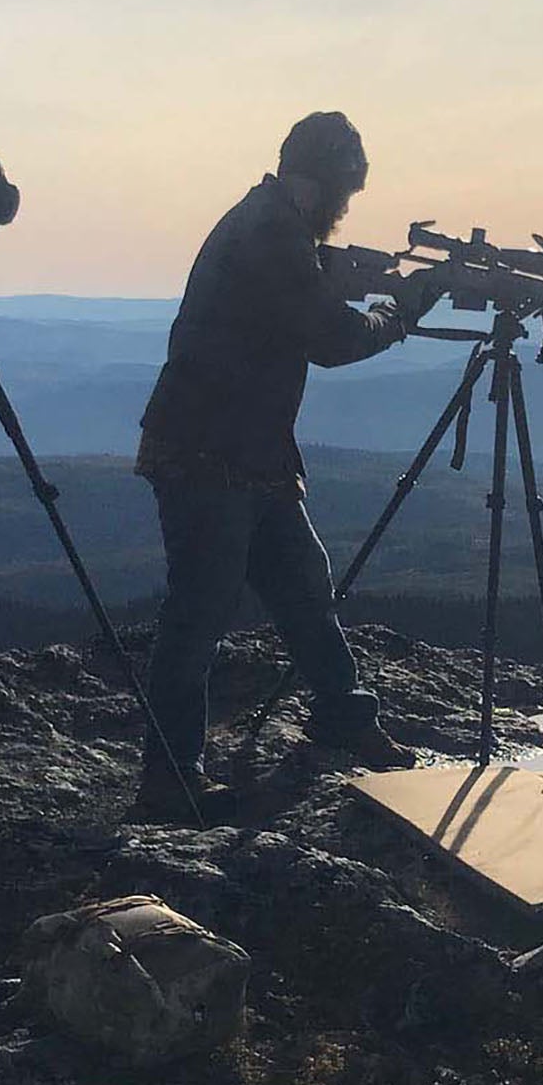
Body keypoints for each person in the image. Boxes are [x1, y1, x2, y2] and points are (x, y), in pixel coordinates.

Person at [132, 111, 440, 820]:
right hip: (209, 451)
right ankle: (169, 778)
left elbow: (301, 305)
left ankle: (342, 713)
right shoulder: (274, 236)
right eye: (346, 195)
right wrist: (402, 312)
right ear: (328, 184)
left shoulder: (266, 223)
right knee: (199, 614)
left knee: (303, 583)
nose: (345, 212)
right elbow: (331, 339)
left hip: (246, 449)